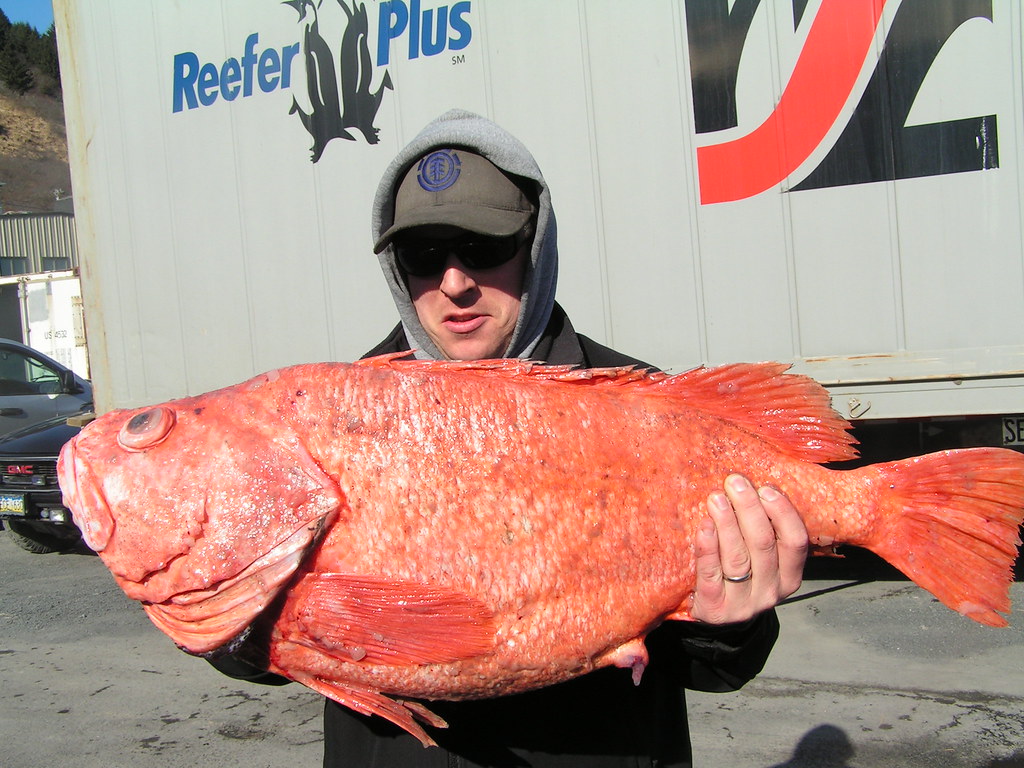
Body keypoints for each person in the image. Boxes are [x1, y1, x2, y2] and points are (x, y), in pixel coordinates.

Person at [214, 109, 808, 768]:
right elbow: (266, 659)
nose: (454, 281)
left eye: (485, 246)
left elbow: (720, 671)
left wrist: (735, 621)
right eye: (423, 254)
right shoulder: (326, 429)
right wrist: (215, 604)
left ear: (536, 244)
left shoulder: (646, 408)